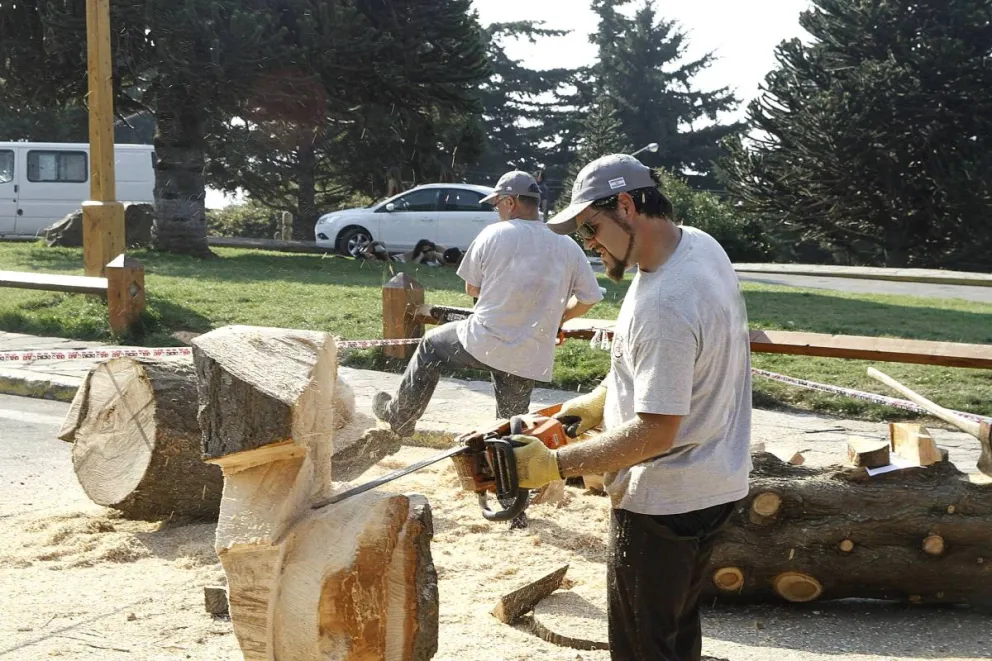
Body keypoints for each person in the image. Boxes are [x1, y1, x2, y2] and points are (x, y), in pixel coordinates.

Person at [508, 154, 753, 661]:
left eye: (592, 227)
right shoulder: (699, 246)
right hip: (714, 484)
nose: (589, 244)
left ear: (626, 204)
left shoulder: (665, 300)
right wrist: (599, 402)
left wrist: (554, 465)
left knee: (641, 648)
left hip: (662, 500)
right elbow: (676, 369)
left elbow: (657, 432)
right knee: (676, 631)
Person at [372, 169, 603, 440]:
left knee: (431, 346)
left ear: (510, 202)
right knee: (510, 425)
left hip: (483, 339)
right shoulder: (567, 245)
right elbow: (589, 298)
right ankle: (508, 468)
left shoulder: (493, 234)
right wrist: (557, 320)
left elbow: (472, 288)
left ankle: (401, 417)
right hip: (530, 352)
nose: (497, 211)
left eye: (497, 204)